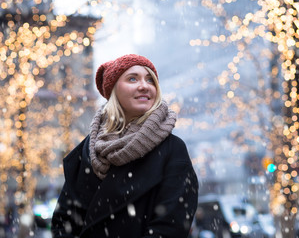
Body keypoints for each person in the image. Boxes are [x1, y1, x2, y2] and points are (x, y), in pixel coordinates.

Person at [51, 54, 199, 238]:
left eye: (150, 80)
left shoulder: (172, 150)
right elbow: (63, 222)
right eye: (132, 79)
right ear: (114, 91)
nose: (144, 86)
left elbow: (171, 227)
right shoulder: (90, 149)